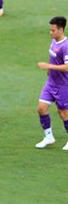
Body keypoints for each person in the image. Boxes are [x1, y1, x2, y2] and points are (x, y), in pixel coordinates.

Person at [35, 16, 68, 150]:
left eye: (53, 30)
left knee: (63, 113)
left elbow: (67, 67)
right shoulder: (53, 42)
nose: (50, 33)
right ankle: (49, 137)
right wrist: (49, 72)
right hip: (51, 83)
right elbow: (53, 58)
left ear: (61, 30)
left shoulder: (66, 46)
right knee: (41, 108)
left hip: (63, 85)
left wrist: (48, 66)